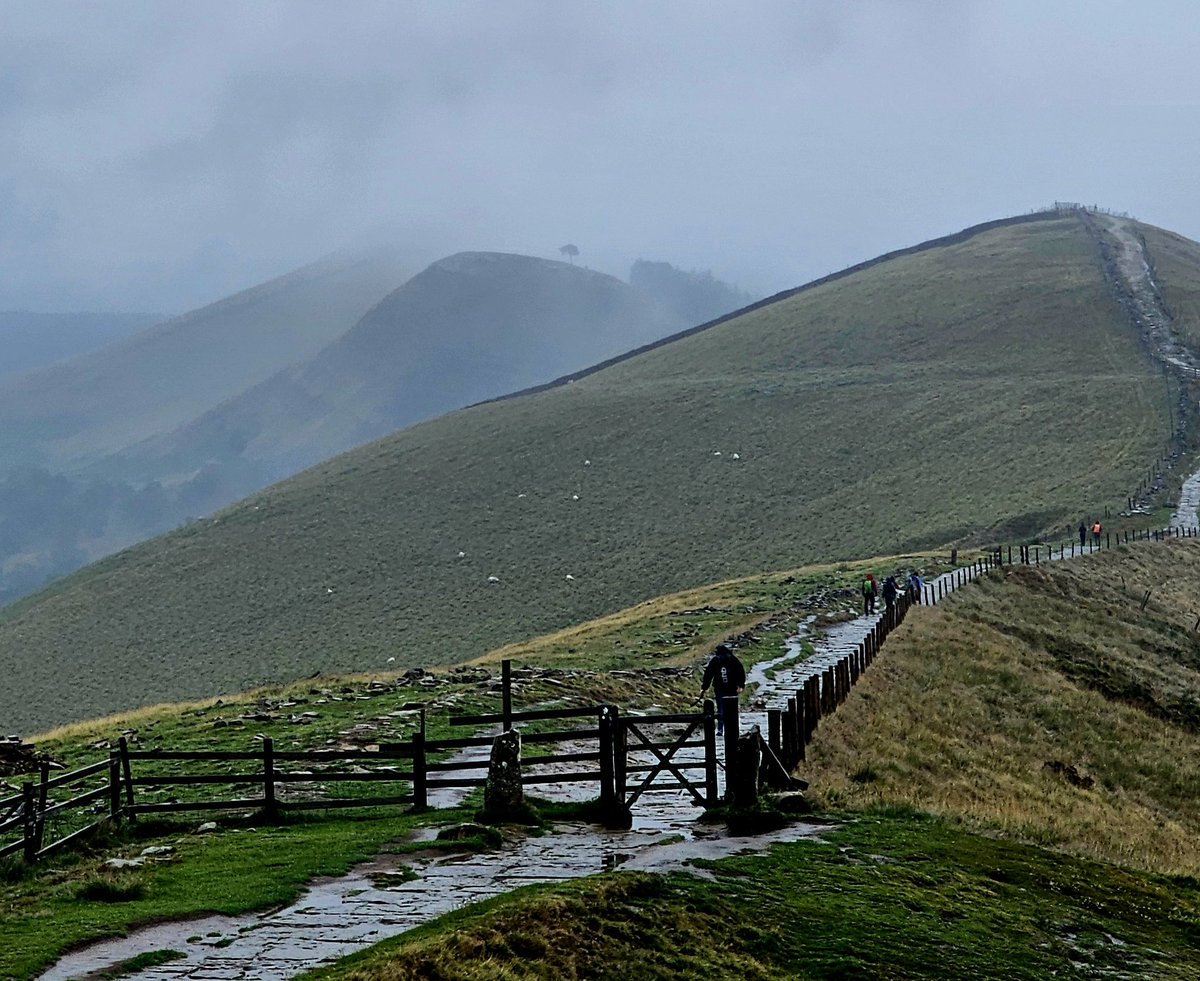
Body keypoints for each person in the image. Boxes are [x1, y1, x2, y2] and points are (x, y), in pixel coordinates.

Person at [699, 642, 746, 737]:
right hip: (731, 688)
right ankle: (733, 729)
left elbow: (708, 674)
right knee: (732, 709)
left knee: (721, 709)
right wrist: (741, 685)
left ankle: (720, 729)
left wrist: (704, 688)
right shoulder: (733, 659)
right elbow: (741, 672)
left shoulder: (716, 660)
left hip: (720, 688)